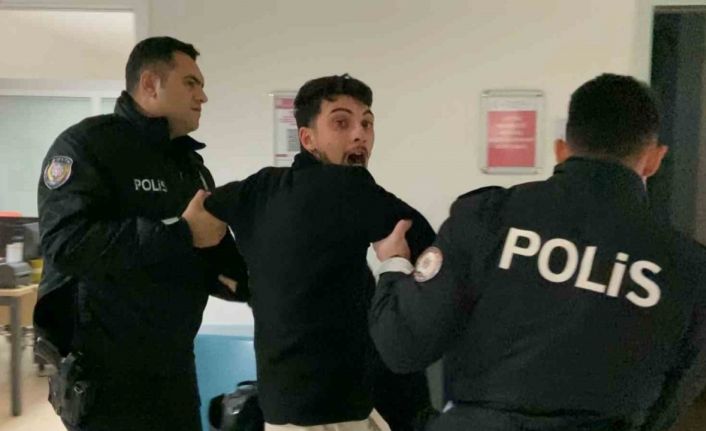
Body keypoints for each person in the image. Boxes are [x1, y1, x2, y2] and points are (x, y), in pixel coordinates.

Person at [369, 73, 706, 431]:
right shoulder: (689, 269)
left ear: (561, 150)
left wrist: (394, 263)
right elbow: (674, 397)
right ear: (653, 160)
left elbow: (401, 346)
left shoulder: (487, 217)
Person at [35, 36, 249, 431]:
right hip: (106, 378)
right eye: (191, 83)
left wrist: (268, 288)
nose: (203, 96)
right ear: (150, 84)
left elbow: (211, 258)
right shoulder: (88, 145)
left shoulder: (190, 168)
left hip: (175, 370)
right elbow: (66, 244)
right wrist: (182, 233)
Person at [200, 74, 436, 431]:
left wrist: (245, 283)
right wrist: (394, 263)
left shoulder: (258, 188)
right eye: (342, 123)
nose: (360, 135)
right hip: (337, 410)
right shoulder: (352, 187)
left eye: (367, 123)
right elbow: (433, 249)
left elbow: (201, 213)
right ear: (307, 138)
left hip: (281, 408)